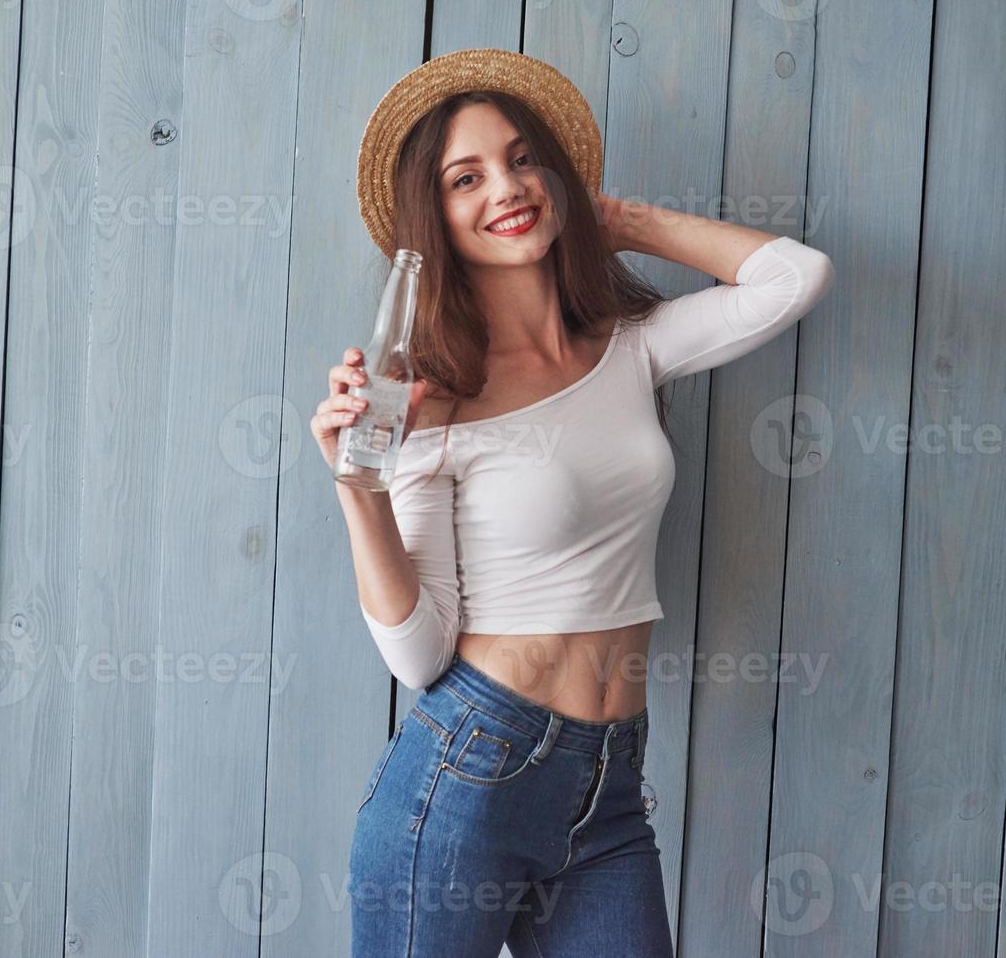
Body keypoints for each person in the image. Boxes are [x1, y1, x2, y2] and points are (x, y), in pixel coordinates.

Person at [313, 48, 835, 957]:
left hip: (610, 786)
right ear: (431, 219)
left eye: (522, 159)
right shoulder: (430, 401)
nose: (506, 187)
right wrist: (359, 488)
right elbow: (416, 652)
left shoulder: (631, 349)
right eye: (465, 178)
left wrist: (616, 220)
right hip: (468, 776)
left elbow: (794, 278)